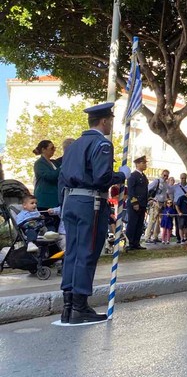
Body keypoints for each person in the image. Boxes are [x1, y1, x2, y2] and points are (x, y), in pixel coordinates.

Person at [58, 102, 131, 324]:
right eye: (110, 120)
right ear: (104, 121)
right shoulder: (102, 144)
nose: (111, 124)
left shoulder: (74, 146)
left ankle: (68, 306)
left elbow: (62, 178)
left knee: (72, 252)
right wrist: (121, 175)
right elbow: (102, 178)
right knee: (87, 252)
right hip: (90, 203)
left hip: (71, 201)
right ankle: (79, 308)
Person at [33, 140, 61, 230]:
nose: (54, 150)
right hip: (45, 201)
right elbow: (50, 176)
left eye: (55, 148)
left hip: (55, 200)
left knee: (56, 225)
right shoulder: (39, 163)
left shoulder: (53, 162)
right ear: (43, 149)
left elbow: (64, 158)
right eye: (51, 148)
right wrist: (61, 168)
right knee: (49, 227)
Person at [126, 156, 149, 250]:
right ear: (138, 164)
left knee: (139, 224)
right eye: (143, 163)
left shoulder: (143, 176)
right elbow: (131, 191)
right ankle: (130, 243)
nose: (145, 165)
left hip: (142, 203)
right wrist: (134, 203)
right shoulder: (133, 176)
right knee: (133, 223)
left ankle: (136, 242)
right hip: (135, 204)